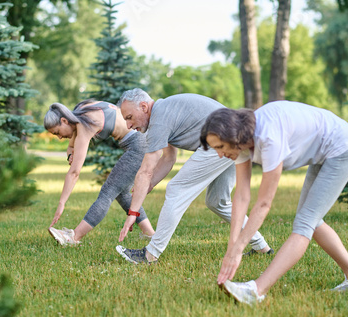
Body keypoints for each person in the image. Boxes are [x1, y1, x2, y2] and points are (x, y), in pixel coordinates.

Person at [199, 101, 348, 305]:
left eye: (220, 147)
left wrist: (239, 249)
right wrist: (232, 247)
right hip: (325, 152)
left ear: (233, 136)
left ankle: (256, 291)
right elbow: (242, 196)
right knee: (312, 221)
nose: (220, 154)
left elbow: (264, 204)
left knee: (305, 223)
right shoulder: (241, 142)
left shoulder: (268, 137)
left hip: (342, 147)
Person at [115, 88, 273, 264]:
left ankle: (150, 254)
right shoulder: (165, 112)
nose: (129, 126)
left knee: (176, 189)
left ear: (144, 107)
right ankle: (262, 248)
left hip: (222, 140)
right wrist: (148, 185)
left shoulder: (159, 118)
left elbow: (146, 170)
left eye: (129, 117)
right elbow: (169, 158)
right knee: (217, 202)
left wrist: (133, 213)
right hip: (235, 137)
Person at [44, 100, 155, 245]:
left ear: (64, 120)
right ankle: (151, 234)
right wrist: (71, 146)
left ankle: (74, 237)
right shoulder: (81, 109)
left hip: (138, 145)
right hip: (141, 140)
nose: (59, 137)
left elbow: (74, 173)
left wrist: (61, 203)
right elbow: (74, 135)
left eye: (57, 132)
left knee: (108, 192)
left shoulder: (84, 125)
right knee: (121, 193)